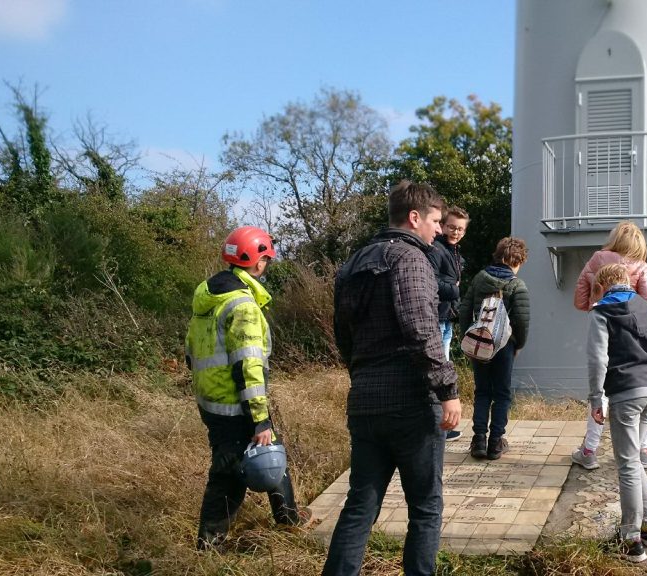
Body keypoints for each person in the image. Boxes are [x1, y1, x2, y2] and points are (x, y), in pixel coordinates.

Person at [323, 180, 461, 576]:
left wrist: (362, 373)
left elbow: (343, 333)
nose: (439, 230)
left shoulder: (353, 262)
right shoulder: (412, 259)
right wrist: (447, 389)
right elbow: (421, 328)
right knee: (426, 506)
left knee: (360, 505)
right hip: (411, 403)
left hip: (365, 400)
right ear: (414, 217)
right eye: (435, 221)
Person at [185, 225, 308, 550]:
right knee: (229, 471)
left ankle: (288, 517)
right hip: (235, 406)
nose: (267, 265)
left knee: (270, 452)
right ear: (257, 262)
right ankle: (210, 544)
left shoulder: (209, 298)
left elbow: (190, 351)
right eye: (266, 259)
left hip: (211, 401)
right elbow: (249, 367)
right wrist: (259, 419)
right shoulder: (243, 306)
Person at [587, 264, 647, 563]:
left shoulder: (602, 313)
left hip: (624, 393)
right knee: (635, 463)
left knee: (626, 466)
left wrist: (596, 398)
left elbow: (598, 359)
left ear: (603, 285)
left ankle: (630, 537)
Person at [571, 221, 647, 471]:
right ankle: (643, 449)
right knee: (637, 382)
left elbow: (579, 300)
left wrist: (597, 302)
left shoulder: (597, 258)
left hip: (603, 327)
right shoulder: (640, 265)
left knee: (599, 386)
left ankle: (589, 450)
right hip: (633, 335)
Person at [458, 237, 531, 460]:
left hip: (479, 343)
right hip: (503, 346)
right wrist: (518, 344)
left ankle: (479, 439)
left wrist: (467, 338)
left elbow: (464, 310)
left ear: (497, 256)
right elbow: (522, 320)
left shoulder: (480, 278)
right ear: (518, 261)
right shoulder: (516, 285)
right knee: (501, 393)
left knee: (482, 391)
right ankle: (496, 442)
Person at [428, 206, 469, 442]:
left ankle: (442, 425)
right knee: (439, 372)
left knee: (443, 367)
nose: (455, 232)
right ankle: (440, 427)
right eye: (452, 227)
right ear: (443, 226)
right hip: (437, 316)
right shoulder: (437, 248)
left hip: (447, 316)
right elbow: (430, 280)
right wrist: (455, 289)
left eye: (460, 229)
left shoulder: (454, 251)